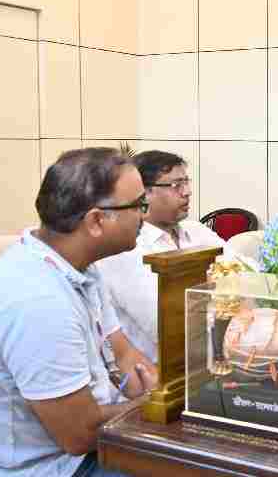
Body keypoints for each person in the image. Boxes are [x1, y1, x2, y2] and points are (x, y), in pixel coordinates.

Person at [0, 148, 158, 477]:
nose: (144, 216)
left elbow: (124, 356)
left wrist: (152, 392)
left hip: (83, 446)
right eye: (138, 205)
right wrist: (150, 406)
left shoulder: (78, 267)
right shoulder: (38, 302)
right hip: (46, 467)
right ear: (96, 221)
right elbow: (80, 435)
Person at [95, 151, 224, 362]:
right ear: (144, 193)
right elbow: (164, 324)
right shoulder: (125, 248)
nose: (187, 192)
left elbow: (247, 274)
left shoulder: (196, 230)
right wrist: (223, 297)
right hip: (155, 371)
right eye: (176, 185)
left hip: (209, 354)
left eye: (186, 182)